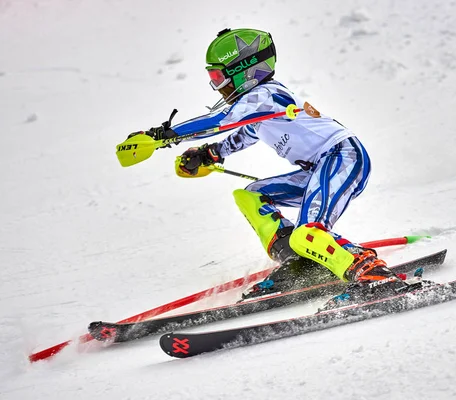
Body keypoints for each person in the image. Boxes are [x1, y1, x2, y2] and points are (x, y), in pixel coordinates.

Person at [133, 28, 408, 304]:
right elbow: (244, 132)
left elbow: (222, 120)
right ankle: (301, 262)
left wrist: (162, 136)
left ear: (244, 71)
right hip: (318, 167)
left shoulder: (264, 94)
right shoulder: (256, 107)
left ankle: (372, 273)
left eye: (218, 77)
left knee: (309, 231)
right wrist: (210, 153)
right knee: (251, 194)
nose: (217, 86)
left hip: (342, 156)